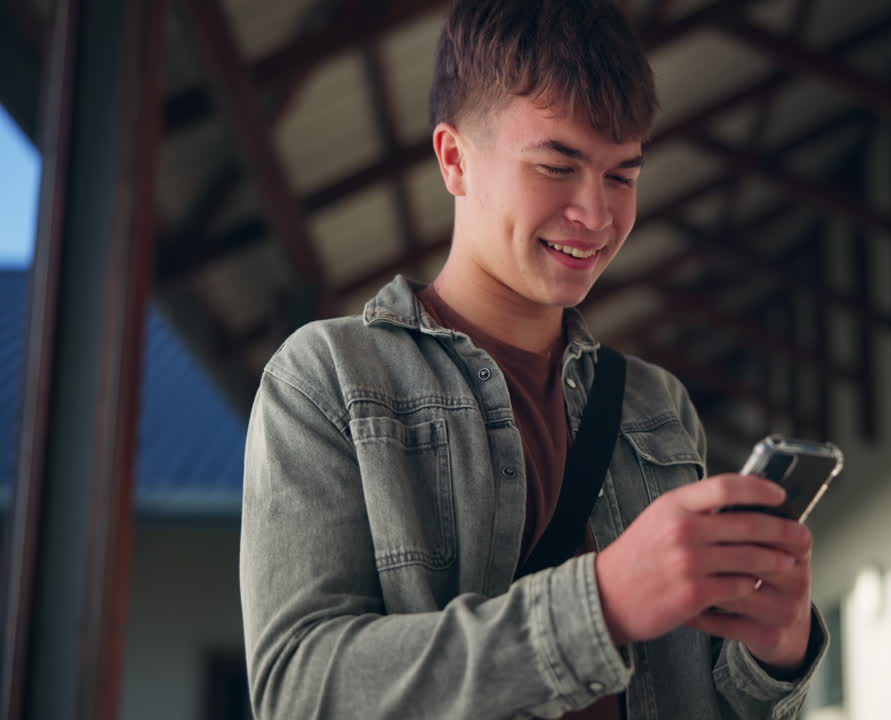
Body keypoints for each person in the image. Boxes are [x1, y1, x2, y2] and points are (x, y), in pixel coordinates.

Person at [239, 1, 828, 717]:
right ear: (454, 159)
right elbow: (299, 693)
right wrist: (600, 605)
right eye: (557, 165)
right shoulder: (329, 379)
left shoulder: (656, 405)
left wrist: (776, 654)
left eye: (622, 175)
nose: (597, 214)